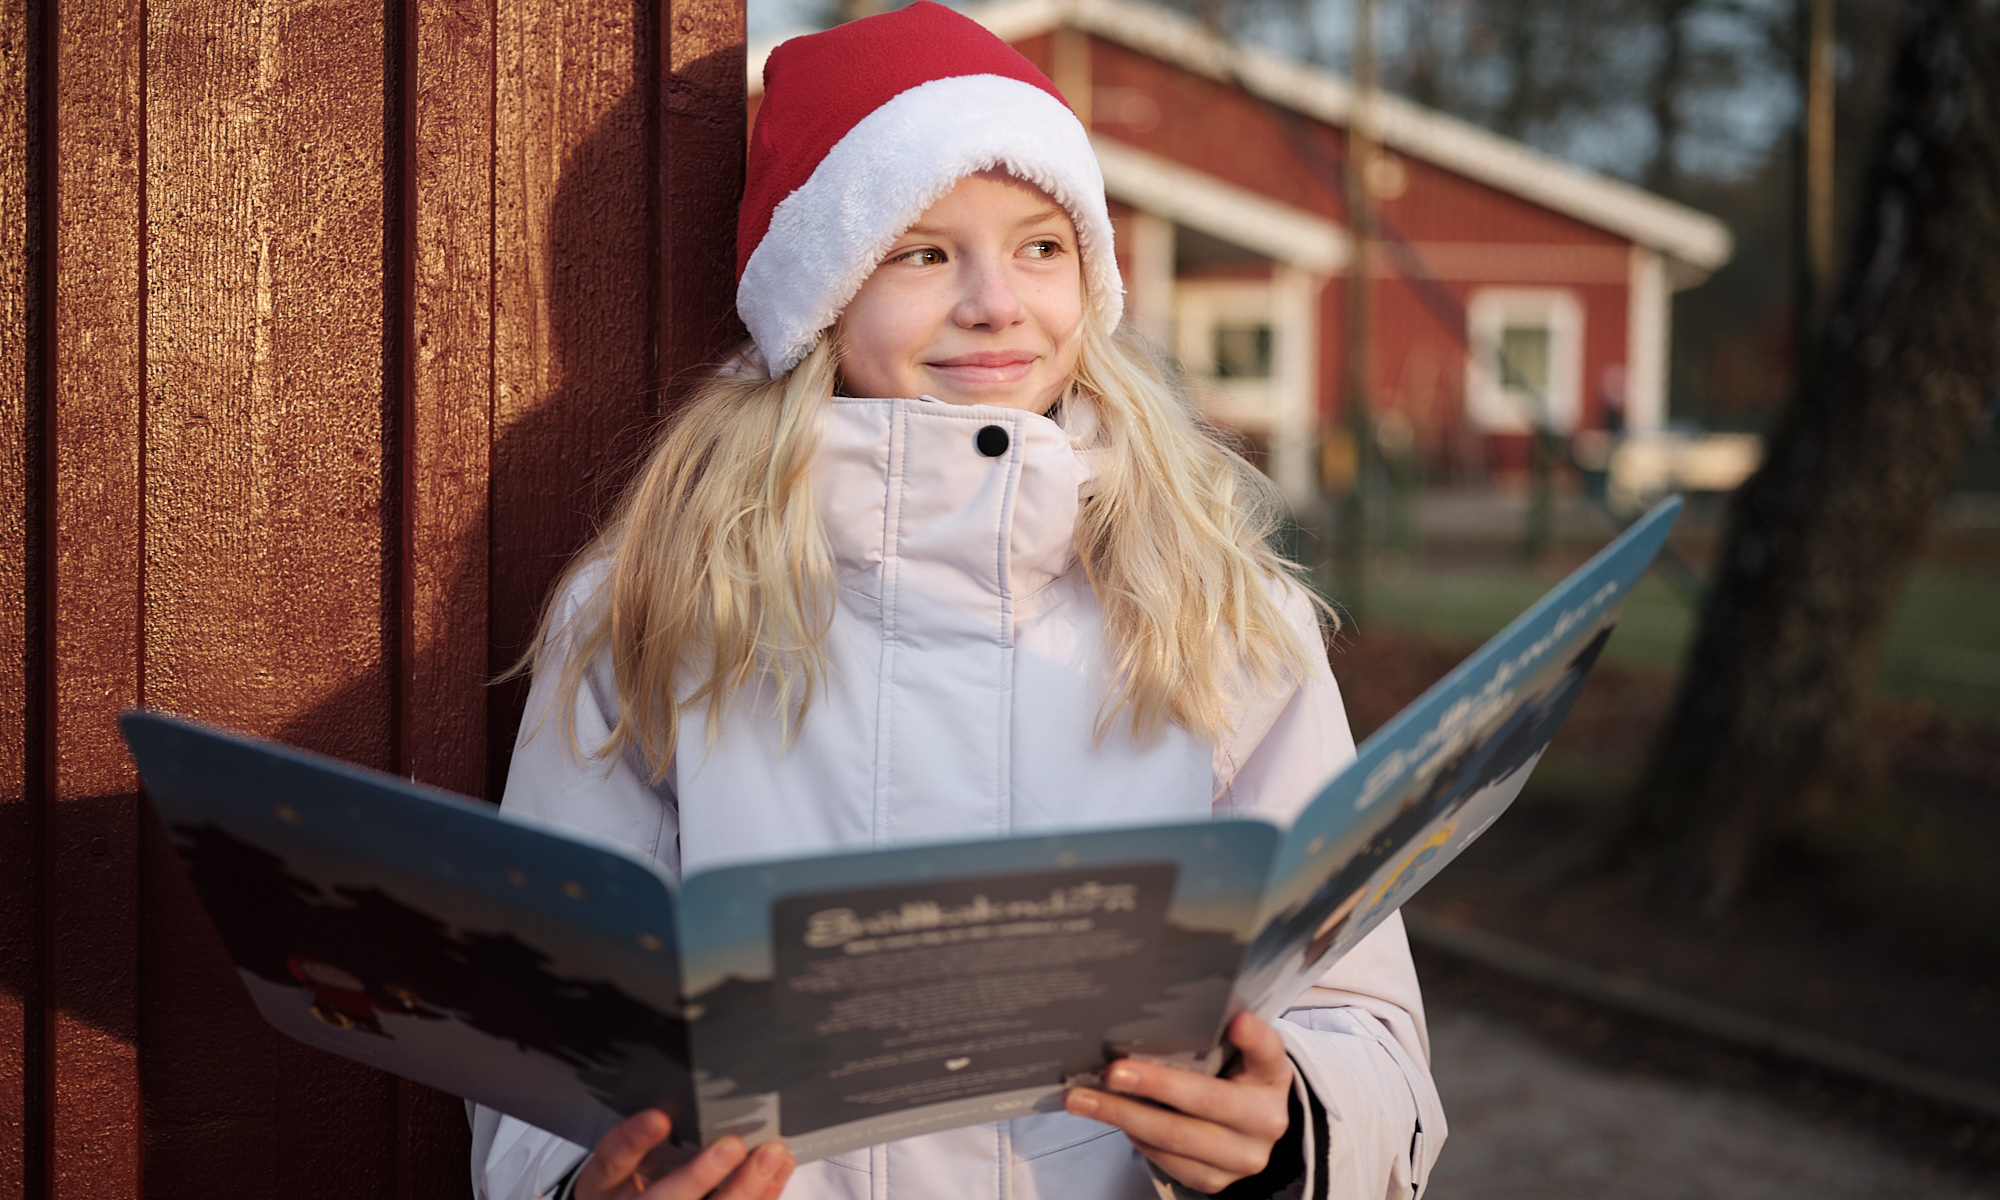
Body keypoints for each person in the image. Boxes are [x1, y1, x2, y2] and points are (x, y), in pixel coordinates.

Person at [471, 5, 1445, 1197]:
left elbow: (1356, 1008)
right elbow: (537, 1041)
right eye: (923, 252)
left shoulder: (1214, 602)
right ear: (819, 295)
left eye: (1041, 247)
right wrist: (589, 1184)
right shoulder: (652, 604)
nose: (996, 302)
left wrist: (1287, 1129)